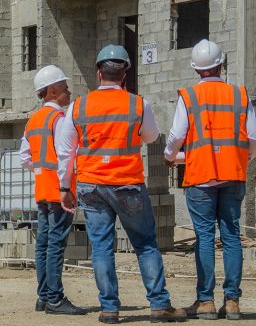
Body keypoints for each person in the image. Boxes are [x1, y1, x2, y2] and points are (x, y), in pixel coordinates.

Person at [56, 45, 187, 324]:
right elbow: (151, 137)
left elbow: (66, 151)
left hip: (91, 186)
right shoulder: (138, 104)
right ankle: (159, 306)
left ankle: (109, 309)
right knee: (146, 244)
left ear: (98, 72)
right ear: (125, 73)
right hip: (128, 185)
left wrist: (65, 186)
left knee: (102, 248)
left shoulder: (79, 106)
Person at [164, 39, 256, 321]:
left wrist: (171, 156)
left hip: (200, 178)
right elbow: (255, 137)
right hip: (233, 174)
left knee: (205, 238)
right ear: (222, 64)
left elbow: (176, 135)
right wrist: (243, 159)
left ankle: (205, 302)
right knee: (231, 236)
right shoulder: (239, 95)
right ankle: (232, 302)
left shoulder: (189, 96)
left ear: (196, 69)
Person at [20, 65, 85, 315]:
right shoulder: (58, 119)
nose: (68, 93)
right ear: (53, 90)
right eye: (65, 88)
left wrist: (41, 171)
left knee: (44, 245)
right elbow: (65, 155)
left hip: (42, 191)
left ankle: (44, 297)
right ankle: (55, 299)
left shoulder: (33, 120)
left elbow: (25, 158)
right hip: (60, 192)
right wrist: (65, 186)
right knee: (56, 245)